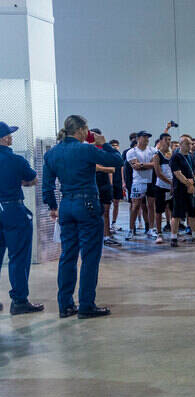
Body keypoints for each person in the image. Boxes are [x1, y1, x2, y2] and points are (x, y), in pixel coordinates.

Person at [42, 115, 124, 319]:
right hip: (86, 203)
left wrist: (53, 206)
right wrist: (104, 144)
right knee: (90, 256)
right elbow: (117, 161)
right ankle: (86, 304)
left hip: (66, 204)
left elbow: (47, 186)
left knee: (67, 256)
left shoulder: (52, 153)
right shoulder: (86, 149)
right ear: (80, 131)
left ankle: (66, 305)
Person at [0, 122, 44, 314]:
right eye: (9, 135)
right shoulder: (16, 160)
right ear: (4, 139)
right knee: (18, 256)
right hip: (13, 211)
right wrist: (19, 182)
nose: (11, 137)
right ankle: (19, 301)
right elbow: (33, 179)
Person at [169, 135, 195, 247]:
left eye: (192, 143)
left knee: (193, 213)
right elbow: (177, 173)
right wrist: (188, 184)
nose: (191, 145)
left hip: (192, 189)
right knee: (177, 214)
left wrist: (193, 181)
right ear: (181, 144)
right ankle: (173, 237)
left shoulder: (193, 157)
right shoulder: (175, 157)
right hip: (180, 189)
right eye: (188, 143)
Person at [124, 130, 156, 241]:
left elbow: (155, 164)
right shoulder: (131, 152)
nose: (147, 139)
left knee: (151, 206)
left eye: (148, 137)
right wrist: (148, 165)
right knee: (135, 206)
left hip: (151, 181)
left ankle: (151, 229)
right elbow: (135, 167)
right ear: (138, 138)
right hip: (138, 181)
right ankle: (131, 229)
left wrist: (142, 164)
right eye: (144, 137)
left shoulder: (152, 150)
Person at [151, 133, 174, 244]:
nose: (168, 142)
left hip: (172, 187)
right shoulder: (157, 155)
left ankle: (174, 232)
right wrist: (170, 183)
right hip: (161, 187)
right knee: (159, 210)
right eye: (166, 139)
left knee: (174, 210)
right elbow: (158, 173)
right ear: (160, 141)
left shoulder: (172, 154)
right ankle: (159, 233)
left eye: (169, 139)